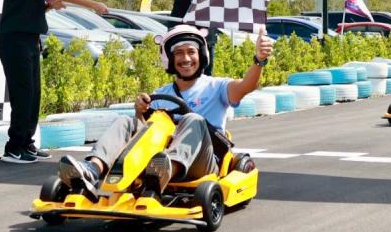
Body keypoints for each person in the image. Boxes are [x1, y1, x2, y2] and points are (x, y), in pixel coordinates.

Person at [57, 24, 273, 197]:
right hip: (156, 157)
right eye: (179, 53)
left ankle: (165, 170)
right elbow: (145, 131)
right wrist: (140, 111)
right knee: (126, 122)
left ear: (201, 55)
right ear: (169, 59)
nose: (185, 59)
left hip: (203, 161)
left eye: (191, 52)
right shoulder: (161, 93)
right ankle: (92, 170)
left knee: (193, 119)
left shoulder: (217, 87)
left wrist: (259, 60)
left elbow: (247, 85)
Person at [0, 0, 108, 164]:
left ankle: (26, 143)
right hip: (15, 43)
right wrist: (93, 5)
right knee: (23, 95)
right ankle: (14, 148)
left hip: (29, 42)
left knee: (33, 95)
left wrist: (48, 6)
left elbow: (29, 8)